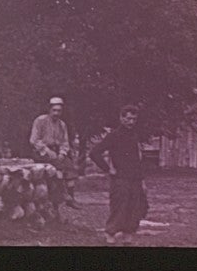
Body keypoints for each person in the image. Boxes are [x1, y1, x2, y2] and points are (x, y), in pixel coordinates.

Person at [87, 104, 148, 243]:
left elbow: (137, 160)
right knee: (119, 207)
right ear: (121, 118)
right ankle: (110, 236)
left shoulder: (134, 136)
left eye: (134, 119)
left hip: (135, 179)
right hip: (120, 179)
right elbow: (94, 153)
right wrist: (108, 169)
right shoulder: (113, 136)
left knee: (134, 209)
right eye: (128, 119)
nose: (131, 122)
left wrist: (142, 181)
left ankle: (128, 236)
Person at [29, 96, 79, 206]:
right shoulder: (40, 120)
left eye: (59, 111)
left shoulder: (62, 125)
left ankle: (71, 197)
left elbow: (64, 142)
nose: (56, 113)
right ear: (49, 109)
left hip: (56, 152)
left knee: (69, 167)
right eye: (54, 110)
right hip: (41, 151)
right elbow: (34, 140)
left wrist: (62, 153)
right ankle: (64, 194)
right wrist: (46, 150)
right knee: (58, 167)